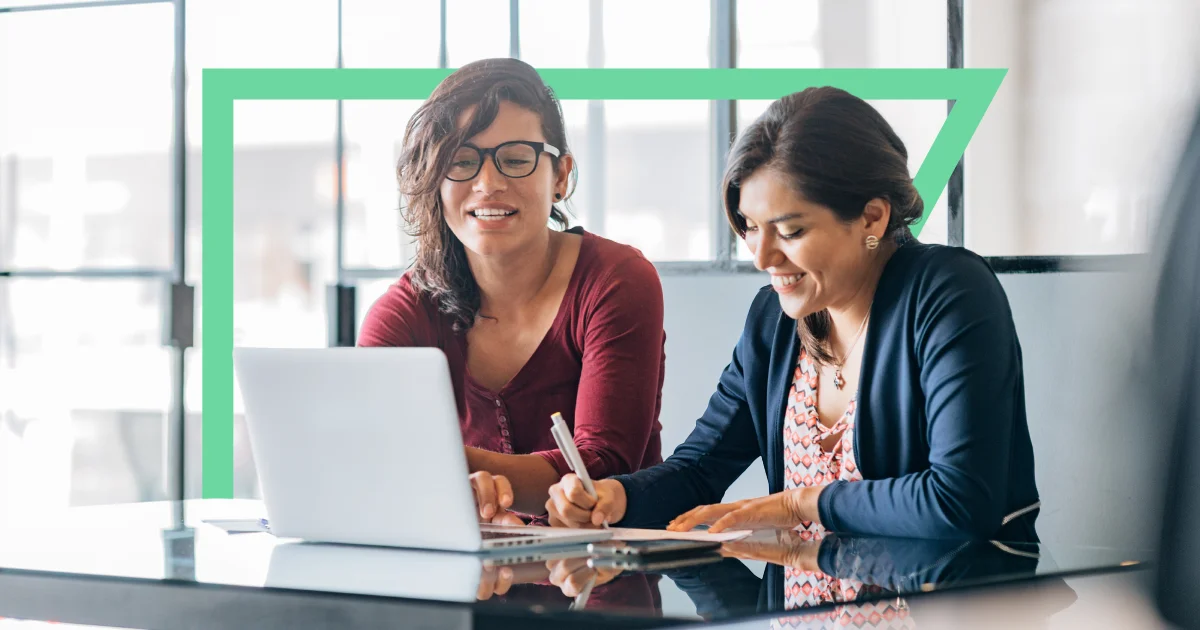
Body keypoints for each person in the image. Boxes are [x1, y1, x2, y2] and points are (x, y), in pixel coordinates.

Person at [544, 86, 1041, 543]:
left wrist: (801, 504)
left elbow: (959, 501)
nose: (762, 258)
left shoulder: (948, 292)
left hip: (950, 599)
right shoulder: (774, 320)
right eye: (750, 227)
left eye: (790, 231)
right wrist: (617, 496)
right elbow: (699, 470)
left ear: (872, 217)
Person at [358, 58, 667, 524]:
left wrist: (445, 470)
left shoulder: (616, 280)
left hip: (612, 561)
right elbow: (369, 456)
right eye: (461, 161)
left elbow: (601, 465)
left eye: (517, 159)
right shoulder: (404, 311)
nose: (488, 184)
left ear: (560, 176)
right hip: (468, 567)